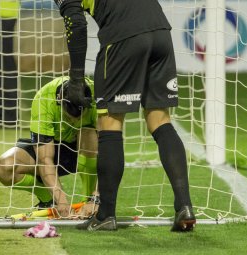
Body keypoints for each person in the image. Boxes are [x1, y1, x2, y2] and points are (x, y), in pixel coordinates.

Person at [54, 0, 196, 231]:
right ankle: (185, 206)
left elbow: (76, 24)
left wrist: (76, 79)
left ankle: (105, 216)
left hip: (124, 37)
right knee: (160, 120)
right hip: (160, 32)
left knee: (109, 123)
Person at [0, 77, 99, 218]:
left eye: (80, 116)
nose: (75, 120)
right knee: (5, 166)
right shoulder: (44, 99)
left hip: (82, 150)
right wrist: (61, 202)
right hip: (51, 149)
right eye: (69, 117)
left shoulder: (99, 96)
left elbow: (110, 152)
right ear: (59, 101)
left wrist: (97, 198)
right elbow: (45, 159)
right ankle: (48, 200)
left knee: (87, 132)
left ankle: (89, 201)